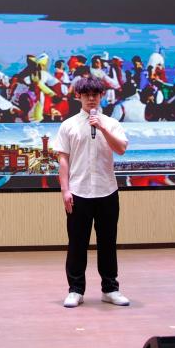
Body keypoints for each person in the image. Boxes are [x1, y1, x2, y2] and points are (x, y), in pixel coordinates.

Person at [54, 76, 130, 308]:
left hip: (107, 191)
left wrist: (102, 127)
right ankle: (75, 290)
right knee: (77, 243)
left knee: (108, 242)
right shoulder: (68, 125)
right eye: (86, 95)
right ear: (78, 96)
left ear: (101, 96)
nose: (91, 99)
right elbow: (63, 160)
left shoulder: (111, 123)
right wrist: (65, 190)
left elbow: (121, 149)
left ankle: (110, 288)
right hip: (79, 192)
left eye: (95, 95)